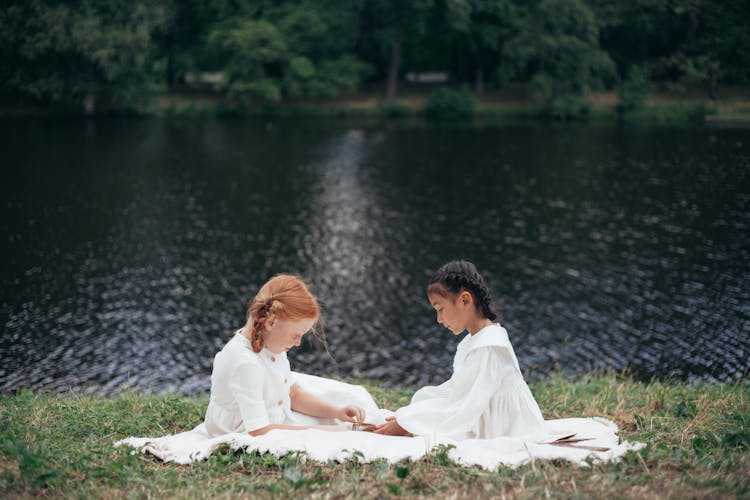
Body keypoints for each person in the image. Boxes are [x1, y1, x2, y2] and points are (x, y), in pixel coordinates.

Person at [373, 260, 547, 440]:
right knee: (422, 403)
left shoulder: (489, 345)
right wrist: (414, 413)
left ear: (465, 300)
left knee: (419, 424)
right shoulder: (472, 340)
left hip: (502, 427)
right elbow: (459, 390)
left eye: (440, 309)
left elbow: (468, 407)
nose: (439, 319)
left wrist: (409, 422)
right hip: (478, 410)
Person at [204, 274, 365, 437]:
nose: (298, 343)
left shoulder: (271, 344)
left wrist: (336, 412)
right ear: (271, 322)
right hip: (246, 430)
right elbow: (258, 431)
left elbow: (292, 394)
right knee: (332, 434)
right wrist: (322, 431)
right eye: (296, 335)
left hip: (272, 420)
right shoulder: (245, 364)